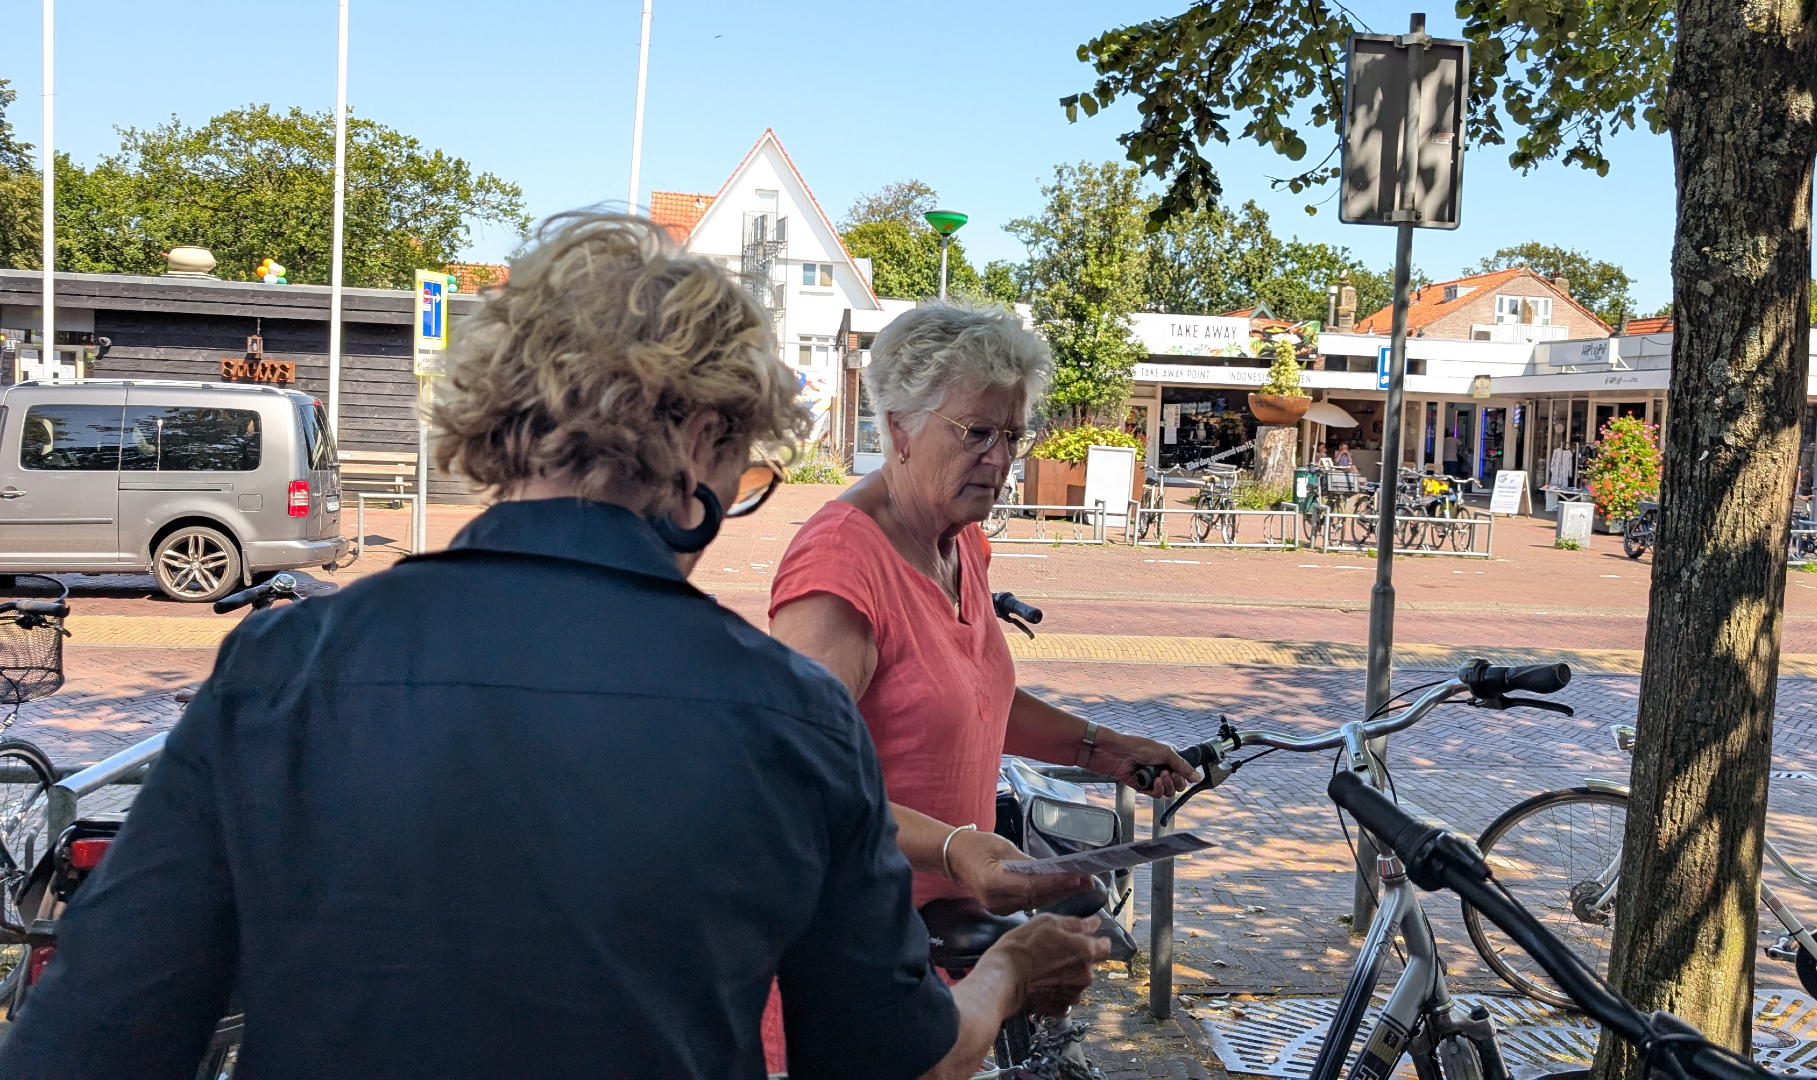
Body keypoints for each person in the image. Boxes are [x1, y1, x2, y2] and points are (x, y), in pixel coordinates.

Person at [0, 214, 1104, 1080]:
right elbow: (890, 1053)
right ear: (702, 443)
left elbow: (87, 1041)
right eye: (742, 465)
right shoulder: (787, 717)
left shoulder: (284, 670)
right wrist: (1008, 975)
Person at [769, 303, 1200, 920]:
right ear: (899, 431)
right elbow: (794, 777)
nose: (1000, 461)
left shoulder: (961, 539)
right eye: (975, 433)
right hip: (855, 940)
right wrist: (951, 850)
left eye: (1012, 436)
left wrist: (1103, 750)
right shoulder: (841, 563)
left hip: (943, 931)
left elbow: (968, 701)